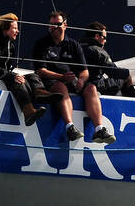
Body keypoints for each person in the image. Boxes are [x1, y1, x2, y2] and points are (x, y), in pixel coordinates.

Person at [31, 11, 115, 143]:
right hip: (53, 81)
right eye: (51, 25)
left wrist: (81, 80)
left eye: (58, 24)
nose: (54, 27)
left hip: (72, 80)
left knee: (91, 88)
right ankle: (70, 128)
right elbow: (40, 71)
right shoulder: (41, 43)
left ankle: (99, 129)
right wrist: (62, 77)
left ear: (65, 25)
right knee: (61, 87)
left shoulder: (74, 44)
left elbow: (85, 71)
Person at [0, 13, 46, 126]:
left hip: (3, 76)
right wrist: (12, 76)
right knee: (16, 81)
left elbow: (7, 68)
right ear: (5, 29)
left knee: (32, 76)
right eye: (14, 28)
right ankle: (28, 112)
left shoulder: (11, 46)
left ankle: (41, 94)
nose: (17, 31)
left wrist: (15, 75)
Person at [81, 22, 135, 98]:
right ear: (97, 36)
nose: (105, 41)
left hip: (80, 84)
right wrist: (126, 72)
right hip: (95, 85)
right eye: (104, 38)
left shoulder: (78, 46)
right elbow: (112, 71)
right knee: (126, 76)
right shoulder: (98, 51)